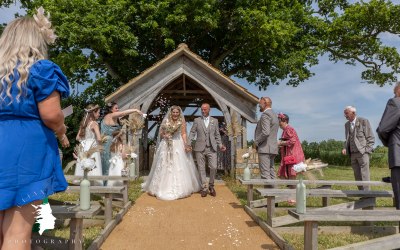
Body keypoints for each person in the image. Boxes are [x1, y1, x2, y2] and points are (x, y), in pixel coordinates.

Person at [0, 8, 70, 249]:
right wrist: (61, 128)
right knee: (17, 232)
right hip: (26, 151)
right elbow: (51, 115)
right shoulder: (41, 70)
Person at [142, 105, 201, 200]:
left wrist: (186, 144)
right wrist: (165, 135)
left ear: (179, 113)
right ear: (171, 113)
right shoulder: (166, 121)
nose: (175, 114)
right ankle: (159, 187)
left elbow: (184, 133)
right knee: (164, 164)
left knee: (178, 164)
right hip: (166, 144)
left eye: (177, 112)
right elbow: (161, 132)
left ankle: (181, 188)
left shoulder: (181, 121)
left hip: (178, 143)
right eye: (174, 112)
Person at [188, 103, 226, 197]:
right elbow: (192, 132)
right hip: (199, 147)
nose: (203, 111)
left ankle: (211, 186)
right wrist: (188, 143)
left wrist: (220, 145)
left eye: (205, 109)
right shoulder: (197, 120)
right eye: (202, 109)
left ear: (209, 110)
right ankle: (204, 187)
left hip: (212, 147)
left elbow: (217, 135)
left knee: (213, 167)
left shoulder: (215, 121)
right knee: (201, 168)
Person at [101, 102, 142, 176]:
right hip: (110, 143)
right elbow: (123, 113)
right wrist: (135, 110)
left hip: (115, 143)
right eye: (116, 108)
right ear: (111, 109)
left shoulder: (113, 118)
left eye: (118, 108)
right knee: (109, 162)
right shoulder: (111, 115)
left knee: (115, 161)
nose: (118, 109)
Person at [376, 81, 400, 210]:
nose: (394, 94)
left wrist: (389, 143)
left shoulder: (395, 102)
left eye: (395, 91)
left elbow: (383, 129)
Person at [341, 106, 375, 190]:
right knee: (357, 175)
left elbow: (371, 137)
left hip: (362, 153)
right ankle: (361, 193)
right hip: (352, 154)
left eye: (347, 113)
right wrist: (345, 147)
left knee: (365, 174)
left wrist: (366, 151)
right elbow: (347, 139)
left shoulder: (363, 121)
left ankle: (367, 195)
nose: (345, 115)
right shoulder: (346, 125)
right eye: (344, 113)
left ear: (353, 113)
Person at [277, 113, 305, 204]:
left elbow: (292, 141)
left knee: (292, 177)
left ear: (284, 121)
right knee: (288, 177)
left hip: (293, 156)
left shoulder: (289, 129)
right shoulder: (286, 130)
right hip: (289, 156)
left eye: (279, 121)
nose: (278, 123)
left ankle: (294, 198)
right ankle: (291, 197)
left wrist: (280, 143)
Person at [75, 104, 103, 185]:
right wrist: (100, 146)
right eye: (98, 112)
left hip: (84, 147)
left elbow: (77, 138)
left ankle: (84, 185)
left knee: (84, 166)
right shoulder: (94, 123)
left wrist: (85, 142)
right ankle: (93, 187)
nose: (99, 114)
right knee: (93, 166)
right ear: (93, 113)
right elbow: (99, 138)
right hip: (92, 147)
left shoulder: (83, 124)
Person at [254, 97, 279, 183]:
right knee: (272, 173)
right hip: (272, 148)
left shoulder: (265, 115)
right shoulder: (275, 115)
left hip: (265, 148)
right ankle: (275, 194)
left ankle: (270, 196)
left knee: (265, 174)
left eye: (260, 104)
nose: (259, 106)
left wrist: (256, 142)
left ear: (265, 104)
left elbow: (265, 132)